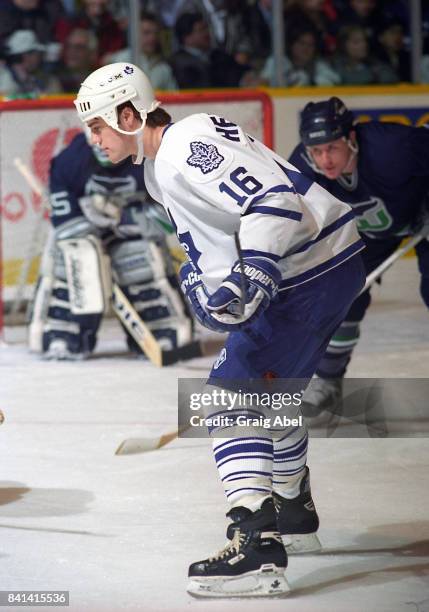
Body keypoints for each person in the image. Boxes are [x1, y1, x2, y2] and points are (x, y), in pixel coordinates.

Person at [74, 63, 365, 597]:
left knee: (229, 398)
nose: (93, 137)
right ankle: (294, 514)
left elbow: (272, 200)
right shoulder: (158, 168)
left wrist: (254, 269)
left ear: (129, 112)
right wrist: (215, 296)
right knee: (271, 395)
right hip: (323, 266)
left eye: (98, 125)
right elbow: (216, 250)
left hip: (307, 270)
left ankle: (255, 545)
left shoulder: (186, 144)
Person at [288, 97, 429, 415]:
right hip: (369, 234)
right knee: (341, 293)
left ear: (351, 140)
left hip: (422, 214)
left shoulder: (392, 147)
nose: (325, 160)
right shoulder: (302, 168)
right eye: (317, 151)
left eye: (332, 148)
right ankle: (327, 381)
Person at [30, 130, 195, 361]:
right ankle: (62, 331)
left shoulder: (151, 160)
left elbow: (171, 217)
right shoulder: (71, 160)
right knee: (71, 256)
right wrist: (86, 224)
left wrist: (123, 218)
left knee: (140, 258)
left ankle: (163, 328)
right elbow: (64, 216)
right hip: (87, 230)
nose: (103, 147)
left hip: (132, 232)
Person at [103, 11, 178, 90]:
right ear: (134, 34)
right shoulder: (121, 61)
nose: (153, 38)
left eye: (155, 33)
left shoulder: (164, 68)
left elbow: (174, 97)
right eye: (146, 33)